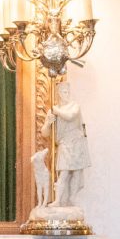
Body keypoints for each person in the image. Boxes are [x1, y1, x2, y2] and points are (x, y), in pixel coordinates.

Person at [48, 80, 90, 208]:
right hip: (65, 143)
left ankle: (72, 198)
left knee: (76, 171)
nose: (67, 94)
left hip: (76, 142)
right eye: (64, 92)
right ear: (59, 94)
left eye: (68, 92)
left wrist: (57, 111)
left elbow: (70, 116)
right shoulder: (56, 110)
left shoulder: (74, 106)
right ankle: (58, 201)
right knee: (64, 172)